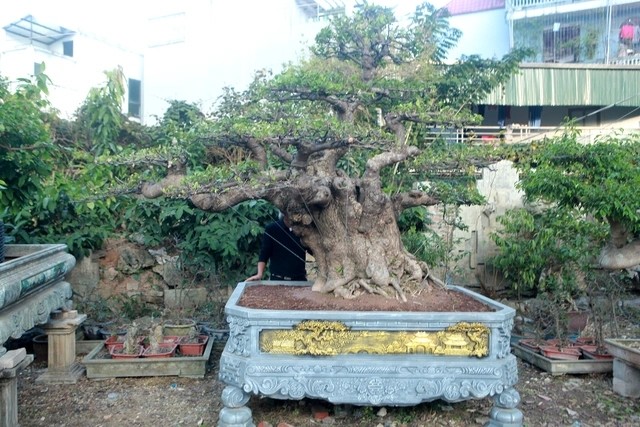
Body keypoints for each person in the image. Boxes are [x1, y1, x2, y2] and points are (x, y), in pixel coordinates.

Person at [245, 213, 307, 281]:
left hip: (299, 279)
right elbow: (264, 254)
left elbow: (314, 251)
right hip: (277, 279)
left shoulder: (304, 229)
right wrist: (259, 274)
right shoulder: (272, 229)